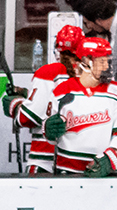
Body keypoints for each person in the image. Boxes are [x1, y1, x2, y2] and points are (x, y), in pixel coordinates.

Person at [43, 35, 117, 174]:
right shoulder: (61, 91)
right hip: (66, 172)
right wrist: (48, 129)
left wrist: (109, 160)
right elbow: (50, 136)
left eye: (108, 61)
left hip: (103, 172)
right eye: (101, 61)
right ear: (85, 62)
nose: (106, 66)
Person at [11, 24, 83, 174]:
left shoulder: (49, 72)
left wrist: (15, 105)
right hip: (75, 163)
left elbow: (29, 117)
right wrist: (26, 93)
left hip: (44, 162)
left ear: (57, 49)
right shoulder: (91, 76)